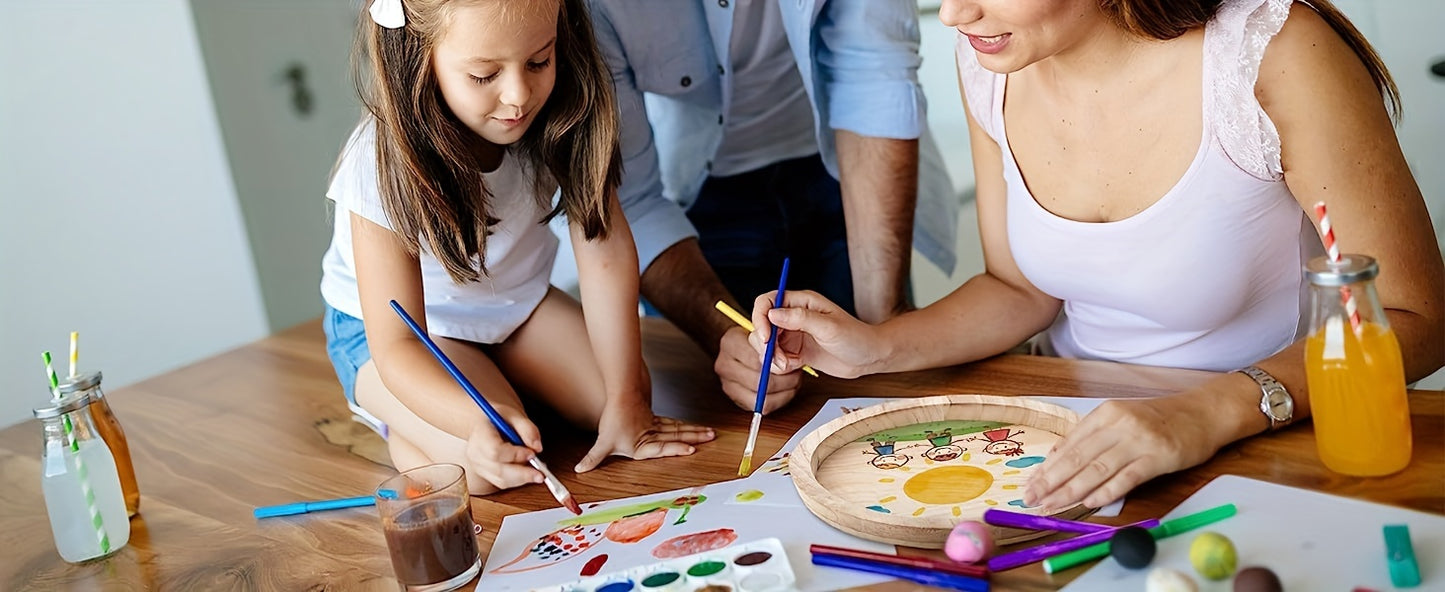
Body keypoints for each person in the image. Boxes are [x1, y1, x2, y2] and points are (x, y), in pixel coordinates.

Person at [747, 0, 1445, 512]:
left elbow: (1417, 316)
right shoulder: (992, 57)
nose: (955, 14)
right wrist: (873, 347)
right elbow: (1018, 288)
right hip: (1075, 442)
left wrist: (1204, 413)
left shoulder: (1273, 52)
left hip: (1278, 440)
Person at [320, 0, 714, 495]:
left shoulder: (564, 109)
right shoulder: (378, 162)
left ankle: (500, 378)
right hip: (403, 339)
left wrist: (626, 397)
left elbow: (603, 250)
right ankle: (399, 426)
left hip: (514, 304)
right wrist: (471, 419)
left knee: (623, 399)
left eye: (539, 61)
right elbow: (398, 345)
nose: (519, 95)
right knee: (487, 467)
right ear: (419, 61)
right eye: (485, 75)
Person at [586, 0, 961, 413]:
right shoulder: (589, 8)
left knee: (881, 390)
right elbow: (629, 200)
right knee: (736, 393)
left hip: (843, 171)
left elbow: (875, 78)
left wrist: (884, 330)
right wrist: (727, 336)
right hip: (692, 201)